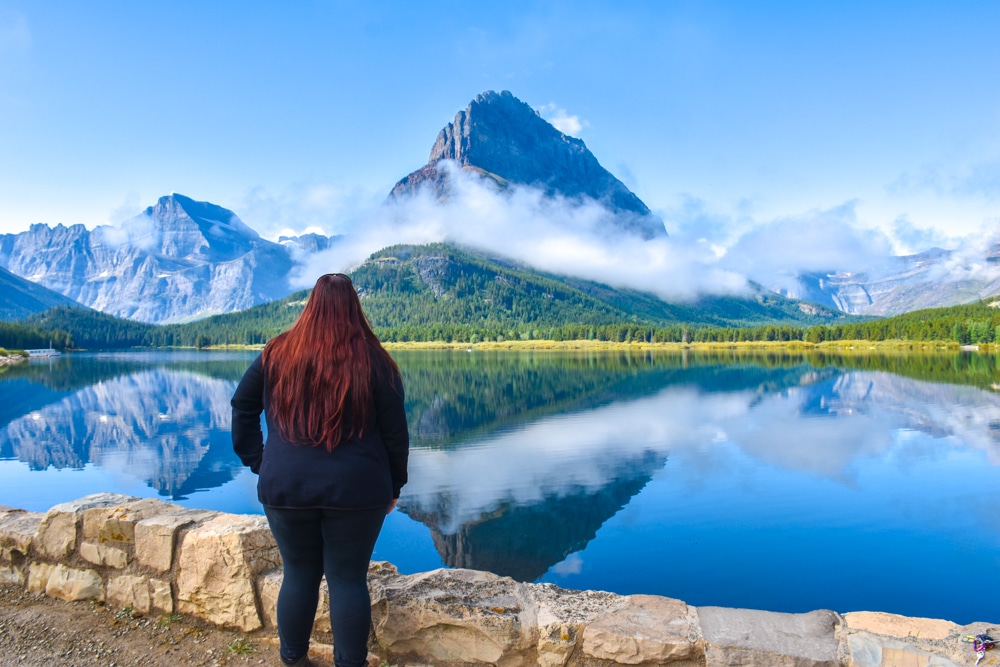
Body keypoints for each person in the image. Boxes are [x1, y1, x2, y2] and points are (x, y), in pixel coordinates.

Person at [231, 273, 409, 667]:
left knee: (298, 575)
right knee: (348, 579)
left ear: (311, 306)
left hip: (285, 486)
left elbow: (242, 407)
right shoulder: (375, 360)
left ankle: (293, 659)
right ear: (353, 308)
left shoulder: (276, 353)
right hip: (358, 490)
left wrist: (260, 462)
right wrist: (394, 485)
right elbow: (396, 435)